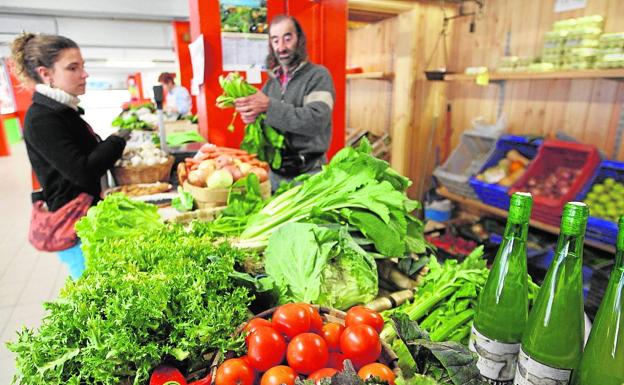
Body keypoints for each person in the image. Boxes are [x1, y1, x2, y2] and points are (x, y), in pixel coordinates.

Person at [11, 33, 129, 279]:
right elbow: (82, 170)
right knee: (92, 291)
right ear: (46, 74)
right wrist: (117, 141)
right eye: (73, 68)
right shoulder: (42, 118)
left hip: (85, 218)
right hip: (73, 222)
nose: (84, 74)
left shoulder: (63, 110)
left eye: (83, 66)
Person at [234, 15, 336, 189]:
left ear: (300, 39)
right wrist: (252, 115)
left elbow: (316, 120)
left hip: (309, 175)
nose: (281, 47)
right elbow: (265, 121)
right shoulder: (271, 83)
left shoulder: (318, 76)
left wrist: (268, 106)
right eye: (275, 40)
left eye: (287, 38)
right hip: (275, 175)